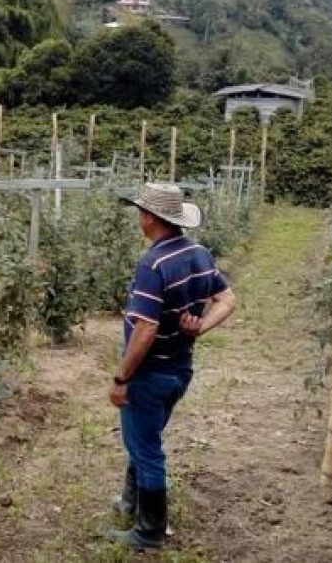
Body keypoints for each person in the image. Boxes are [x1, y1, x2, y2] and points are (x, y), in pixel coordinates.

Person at [107, 182, 237, 549]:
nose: (139, 217)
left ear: (149, 218)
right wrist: (201, 326)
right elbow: (228, 299)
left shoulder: (153, 264)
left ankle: (149, 532)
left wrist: (121, 377)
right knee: (143, 438)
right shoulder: (198, 253)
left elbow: (146, 329)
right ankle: (130, 502)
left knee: (147, 450)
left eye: (140, 212)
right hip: (180, 370)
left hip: (150, 374)